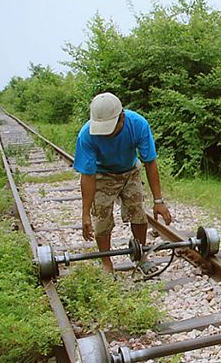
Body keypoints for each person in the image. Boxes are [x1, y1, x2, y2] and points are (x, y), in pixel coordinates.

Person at [73, 92, 172, 272]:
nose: (107, 134)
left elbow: (150, 161)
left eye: (110, 128)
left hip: (130, 172)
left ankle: (141, 256)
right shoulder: (86, 135)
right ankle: (106, 262)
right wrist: (85, 212)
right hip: (102, 175)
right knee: (101, 219)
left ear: (122, 117)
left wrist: (158, 201)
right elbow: (87, 175)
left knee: (139, 214)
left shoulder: (138, 125)